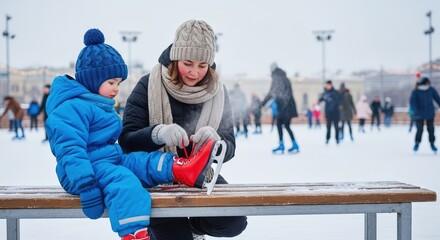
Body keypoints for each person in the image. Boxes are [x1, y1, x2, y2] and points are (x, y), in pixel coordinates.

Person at [45, 28, 222, 240]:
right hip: (84, 173)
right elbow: (70, 151)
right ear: (92, 81)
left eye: (118, 83)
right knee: (126, 182)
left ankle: (182, 168)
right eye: (111, 83)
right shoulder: (71, 109)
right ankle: (135, 234)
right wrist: (87, 186)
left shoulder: (98, 105)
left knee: (145, 161)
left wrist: (215, 138)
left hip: (108, 162)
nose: (116, 88)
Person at [118, 20, 247, 240]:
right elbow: (127, 141)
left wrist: (217, 142)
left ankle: (195, 226)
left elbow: (230, 145)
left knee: (233, 221)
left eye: (202, 65)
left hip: (199, 176)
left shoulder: (218, 92)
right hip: (155, 178)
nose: (195, 72)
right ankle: (162, 229)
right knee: (177, 237)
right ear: (175, 57)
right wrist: (157, 134)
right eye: (188, 63)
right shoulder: (149, 85)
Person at [261, 63, 299, 153]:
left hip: (284, 107)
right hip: (289, 106)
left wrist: (262, 103)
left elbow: (272, 93)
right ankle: (294, 144)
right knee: (285, 125)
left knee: (279, 124)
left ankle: (283, 145)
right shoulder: (285, 78)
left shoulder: (277, 78)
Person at [409, 77, 440, 153]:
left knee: (431, 129)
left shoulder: (431, 90)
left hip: (430, 113)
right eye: (427, 83)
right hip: (419, 114)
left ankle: (432, 143)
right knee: (420, 130)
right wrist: (415, 111)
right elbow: (412, 102)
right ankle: (417, 143)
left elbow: (437, 98)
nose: (428, 84)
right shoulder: (416, 91)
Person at [318, 80, 342, 144]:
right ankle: (327, 139)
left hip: (335, 112)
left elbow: (340, 99)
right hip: (328, 112)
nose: (328, 86)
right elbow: (321, 99)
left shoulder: (335, 92)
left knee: (336, 127)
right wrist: (320, 100)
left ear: (331, 85)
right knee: (328, 127)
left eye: (329, 85)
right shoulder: (325, 93)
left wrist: (333, 101)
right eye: (327, 85)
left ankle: (337, 139)